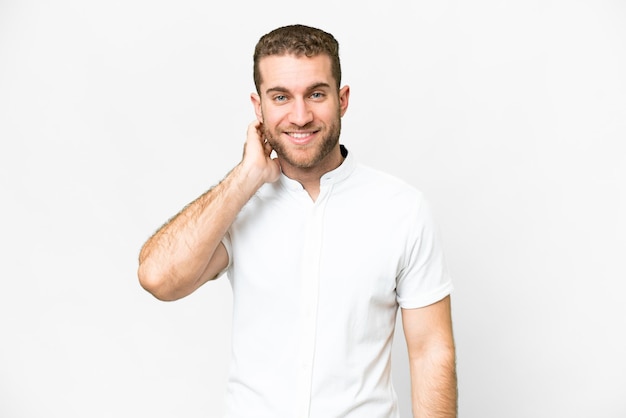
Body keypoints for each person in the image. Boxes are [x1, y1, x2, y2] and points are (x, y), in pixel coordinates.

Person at [138, 24, 457, 418]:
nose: (301, 115)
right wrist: (246, 177)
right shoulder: (238, 208)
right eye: (281, 97)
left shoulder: (403, 210)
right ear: (259, 108)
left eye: (317, 94)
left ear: (342, 99)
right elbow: (158, 278)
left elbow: (431, 352)